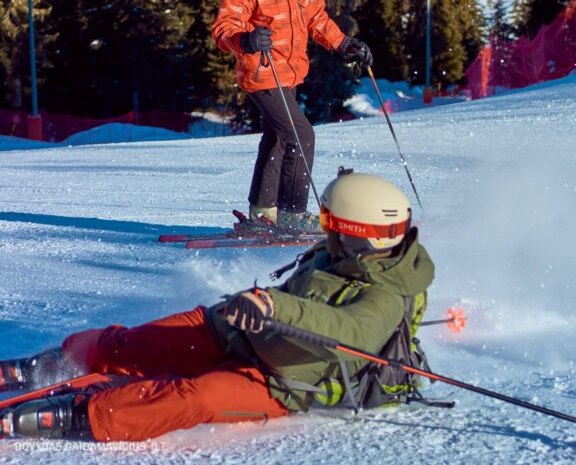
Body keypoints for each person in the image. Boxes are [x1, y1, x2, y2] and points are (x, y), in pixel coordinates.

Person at [0, 170, 434, 443]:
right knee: (123, 344)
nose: (324, 230)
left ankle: (63, 417)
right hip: (230, 331)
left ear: (360, 233)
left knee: (196, 397)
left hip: (277, 380)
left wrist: (276, 306)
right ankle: (38, 368)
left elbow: (350, 331)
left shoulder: (387, 295)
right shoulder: (345, 253)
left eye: (330, 223)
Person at [211, 0, 373, 233]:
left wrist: (345, 45)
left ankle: (263, 214)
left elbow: (316, 18)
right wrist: (246, 39)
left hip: (291, 71)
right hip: (261, 71)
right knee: (301, 134)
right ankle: (292, 214)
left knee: (278, 138)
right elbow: (224, 27)